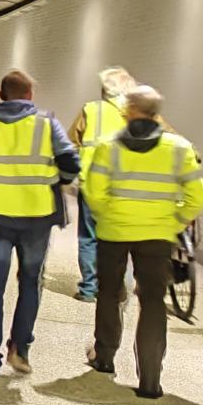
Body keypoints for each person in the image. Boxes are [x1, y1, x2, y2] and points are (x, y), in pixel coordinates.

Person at [82, 86, 203, 398]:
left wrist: (110, 216)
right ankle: (150, 381)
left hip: (114, 234)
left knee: (110, 294)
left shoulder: (107, 147)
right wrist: (173, 221)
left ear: (129, 110)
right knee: (152, 301)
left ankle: (105, 357)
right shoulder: (180, 149)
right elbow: (197, 198)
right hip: (157, 237)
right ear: (156, 113)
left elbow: (94, 194)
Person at [0, 68, 80, 381]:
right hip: (36, 217)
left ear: (0, 95)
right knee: (30, 282)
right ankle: (20, 349)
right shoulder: (46, 123)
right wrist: (58, 183)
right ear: (30, 95)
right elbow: (70, 162)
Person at [69, 66, 133, 301]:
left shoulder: (90, 111)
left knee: (89, 237)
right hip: (126, 188)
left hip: (93, 185)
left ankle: (89, 289)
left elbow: (71, 143)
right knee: (122, 237)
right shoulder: (138, 113)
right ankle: (117, 287)